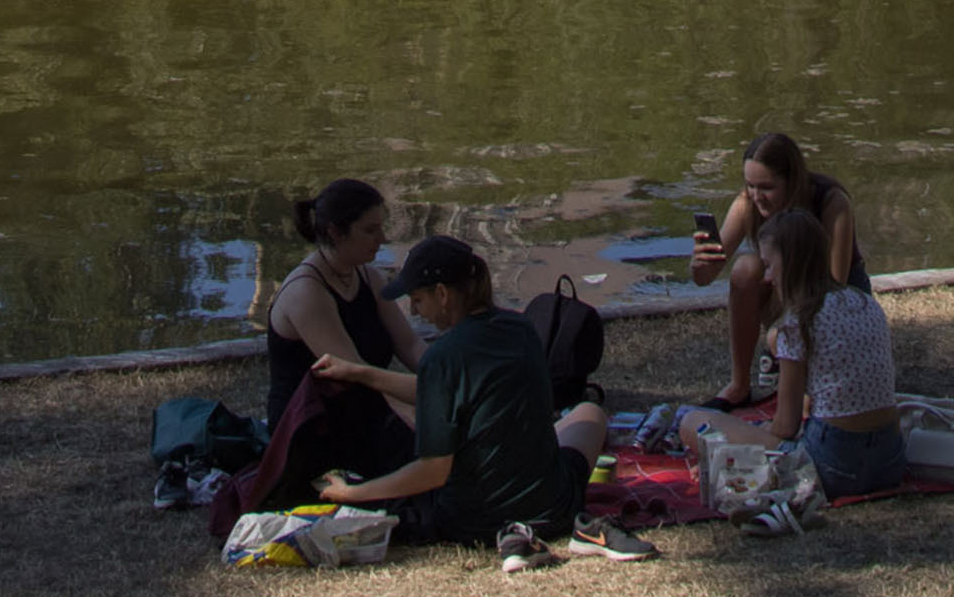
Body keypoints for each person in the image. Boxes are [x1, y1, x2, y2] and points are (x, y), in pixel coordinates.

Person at [314, 234, 636, 559]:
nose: (413, 310)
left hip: (473, 522)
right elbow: (440, 390)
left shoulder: (442, 357)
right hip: (553, 509)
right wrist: (361, 373)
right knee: (590, 414)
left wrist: (356, 492)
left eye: (417, 300)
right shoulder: (521, 328)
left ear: (442, 294)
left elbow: (432, 471)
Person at [686, 130, 874, 404]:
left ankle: (808, 386)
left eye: (766, 187)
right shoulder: (747, 203)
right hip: (791, 290)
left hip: (838, 296)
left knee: (784, 340)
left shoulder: (831, 202)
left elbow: (835, 288)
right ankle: (739, 385)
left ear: (792, 181)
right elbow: (704, 278)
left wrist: (788, 330)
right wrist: (699, 263)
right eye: (750, 185)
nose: (756, 196)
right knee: (745, 269)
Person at [261, 178, 419, 494]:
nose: (382, 238)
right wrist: (422, 410)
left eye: (381, 228)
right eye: (370, 230)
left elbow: (410, 344)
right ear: (335, 232)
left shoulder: (369, 277)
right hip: (316, 425)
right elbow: (357, 374)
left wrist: (452, 375)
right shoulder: (307, 292)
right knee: (426, 444)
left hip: (364, 411)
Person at [757, 206, 907, 498]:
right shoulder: (865, 303)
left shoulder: (799, 322)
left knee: (697, 425)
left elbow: (785, 426)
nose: (766, 277)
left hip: (833, 467)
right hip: (890, 462)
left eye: (768, 265)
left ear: (789, 263)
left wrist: (763, 431)